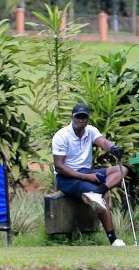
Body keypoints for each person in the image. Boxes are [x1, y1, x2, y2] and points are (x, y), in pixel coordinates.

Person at [51, 103, 128, 246]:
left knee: (122, 170)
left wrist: (113, 148)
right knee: (103, 197)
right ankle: (113, 239)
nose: (81, 120)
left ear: (87, 119)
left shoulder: (90, 131)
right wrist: (87, 177)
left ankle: (97, 192)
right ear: (72, 117)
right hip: (67, 178)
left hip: (86, 171)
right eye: (78, 117)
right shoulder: (61, 136)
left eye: (84, 117)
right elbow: (59, 167)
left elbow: (103, 142)